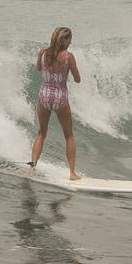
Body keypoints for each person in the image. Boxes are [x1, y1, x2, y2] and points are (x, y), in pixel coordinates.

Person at [29, 26, 82, 180]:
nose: (71, 42)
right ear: (64, 40)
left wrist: (39, 57)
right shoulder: (68, 57)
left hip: (44, 96)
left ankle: (32, 168)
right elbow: (78, 79)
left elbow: (39, 68)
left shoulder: (44, 53)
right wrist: (73, 72)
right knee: (69, 135)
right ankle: (72, 173)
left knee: (41, 133)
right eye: (70, 39)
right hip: (60, 97)